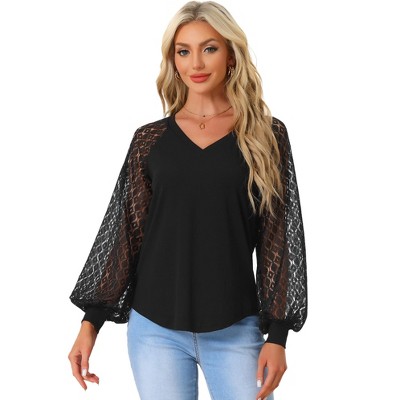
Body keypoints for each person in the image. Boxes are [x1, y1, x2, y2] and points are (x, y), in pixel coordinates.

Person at [68, 1, 308, 399]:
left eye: (209, 48)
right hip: (155, 330)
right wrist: (90, 324)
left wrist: (278, 335)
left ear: (231, 55)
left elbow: (279, 238)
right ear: (173, 60)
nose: (195, 62)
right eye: (183, 51)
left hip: (235, 328)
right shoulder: (150, 140)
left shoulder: (267, 136)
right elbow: (126, 232)